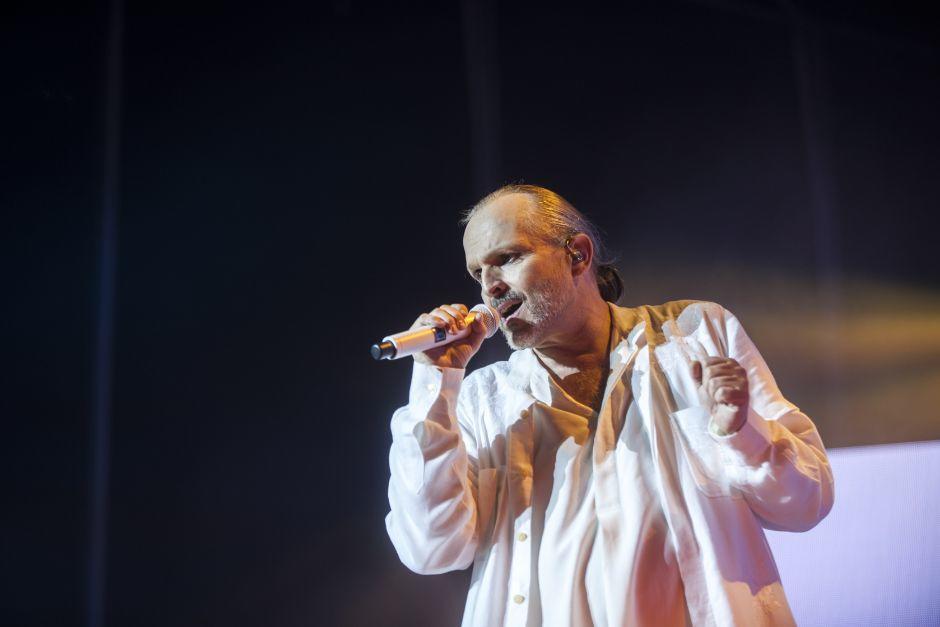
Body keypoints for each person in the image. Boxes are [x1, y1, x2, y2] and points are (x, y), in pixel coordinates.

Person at [384, 184, 834, 626]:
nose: (490, 287)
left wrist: (740, 431)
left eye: (508, 258)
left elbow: (806, 503)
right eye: (477, 273)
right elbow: (432, 549)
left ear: (577, 254)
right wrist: (434, 383)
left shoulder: (696, 334)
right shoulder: (480, 398)